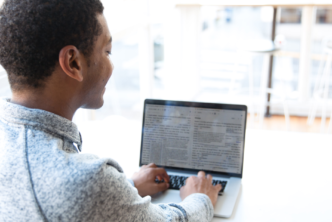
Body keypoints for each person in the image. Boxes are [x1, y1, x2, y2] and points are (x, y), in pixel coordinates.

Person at [0, 0, 222, 221]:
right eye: (107, 52)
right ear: (73, 62)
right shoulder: (88, 179)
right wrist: (200, 197)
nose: (111, 66)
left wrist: (128, 187)